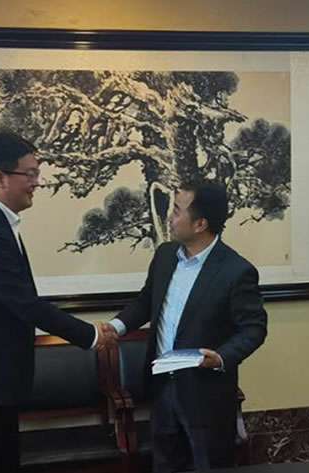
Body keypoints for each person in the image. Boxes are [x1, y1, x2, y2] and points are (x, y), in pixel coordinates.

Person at [0, 131, 117, 473]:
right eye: (29, 174)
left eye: (37, 173)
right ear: (0, 177)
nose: (37, 183)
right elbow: (24, 303)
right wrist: (90, 335)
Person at [108, 181, 267, 472]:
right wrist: (115, 327)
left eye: (177, 211)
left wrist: (221, 357)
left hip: (205, 393)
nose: (170, 217)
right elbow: (147, 301)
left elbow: (254, 329)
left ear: (200, 224)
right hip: (162, 387)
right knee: (165, 464)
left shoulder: (236, 271)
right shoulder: (165, 255)